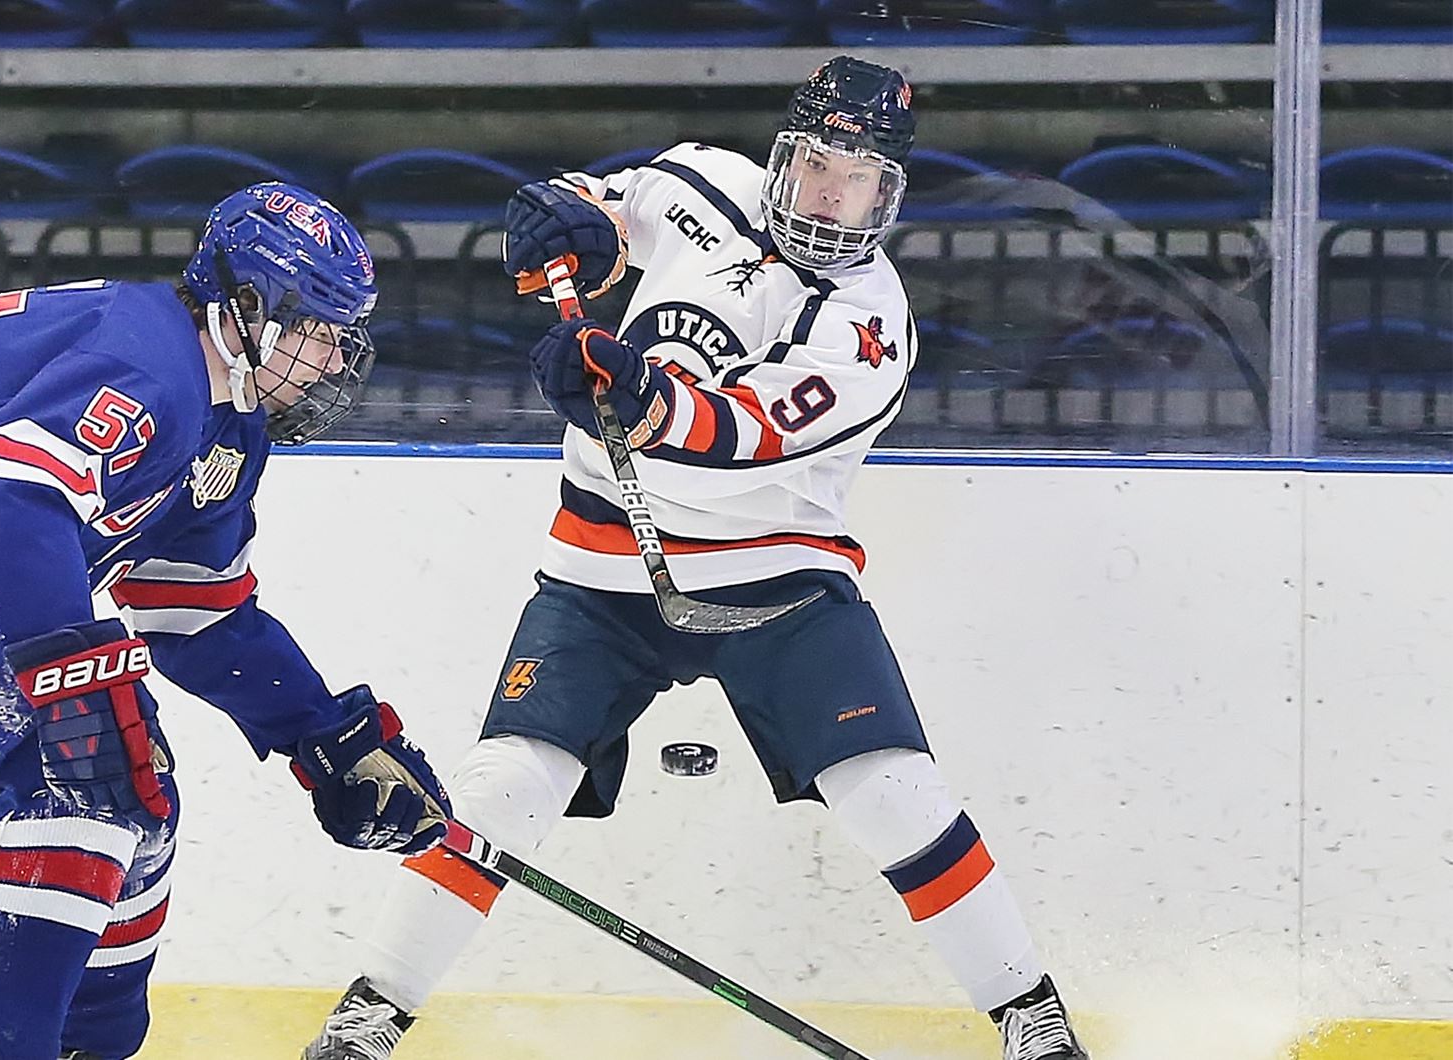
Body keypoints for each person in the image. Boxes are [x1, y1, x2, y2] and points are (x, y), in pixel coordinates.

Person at [301, 57, 1089, 1060]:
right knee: (498, 790)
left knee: (893, 789)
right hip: (603, 565)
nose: (833, 196)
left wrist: (645, 397)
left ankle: (1033, 1017)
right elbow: (598, 210)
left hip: (778, 578)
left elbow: (746, 428)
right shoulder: (696, 182)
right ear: (783, 155)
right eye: (818, 167)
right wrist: (563, 223)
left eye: (861, 181)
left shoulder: (868, 321)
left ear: (890, 194)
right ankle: (368, 1018)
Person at [0, 182, 452, 1060]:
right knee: (81, 784)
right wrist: (67, 672)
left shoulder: (229, 424)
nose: (337, 362)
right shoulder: (148, 368)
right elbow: (6, 505)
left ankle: (86, 1046)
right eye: (318, 331)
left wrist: (325, 736)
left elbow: (199, 612)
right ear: (249, 307)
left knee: (135, 792)